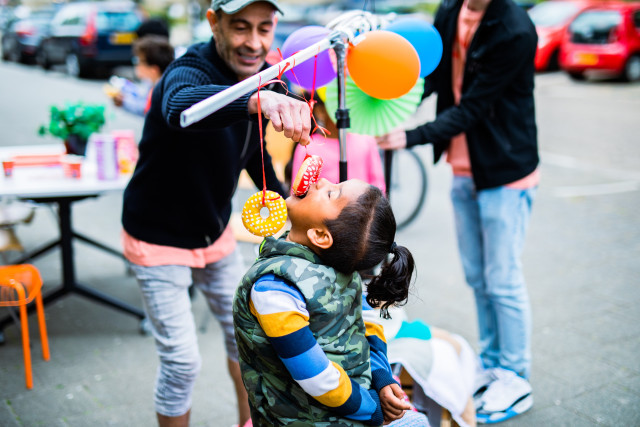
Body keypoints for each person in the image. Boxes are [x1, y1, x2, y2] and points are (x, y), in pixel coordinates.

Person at [120, 0, 312, 425]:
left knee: (249, 341)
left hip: (215, 232)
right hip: (157, 237)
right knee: (183, 362)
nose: (254, 42)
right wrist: (255, 101)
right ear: (214, 22)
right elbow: (180, 107)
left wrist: (282, 199)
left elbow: (251, 150)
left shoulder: (264, 75)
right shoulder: (188, 69)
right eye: (240, 27)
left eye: (264, 28)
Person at [376, 0, 538, 423]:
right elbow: (432, 77)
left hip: (505, 168)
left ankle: (516, 376)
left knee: (502, 278)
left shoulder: (515, 29)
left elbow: (474, 108)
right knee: (477, 276)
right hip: (464, 166)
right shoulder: (450, 10)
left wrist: (409, 136)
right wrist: (391, 103)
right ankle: (492, 363)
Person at [233, 178, 430, 426]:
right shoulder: (277, 289)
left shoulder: (285, 286)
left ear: (319, 235)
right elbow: (315, 374)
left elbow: (366, 327)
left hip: (348, 406)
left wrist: (381, 381)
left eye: (331, 193)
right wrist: (371, 405)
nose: (321, 181)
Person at [289, 94, 386, 193]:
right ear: (320, 111)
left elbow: (378, 185)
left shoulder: (366, 141)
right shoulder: (308, 146)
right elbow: (298, 192)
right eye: (337, 105)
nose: (346, 110)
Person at [107, 35, 175, 116]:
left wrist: (123, 102)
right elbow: (142, 100)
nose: (136, 65)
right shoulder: (152, 83)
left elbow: (146, 109)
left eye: (138, 61)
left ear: (153, 69)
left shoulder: (161, 93)